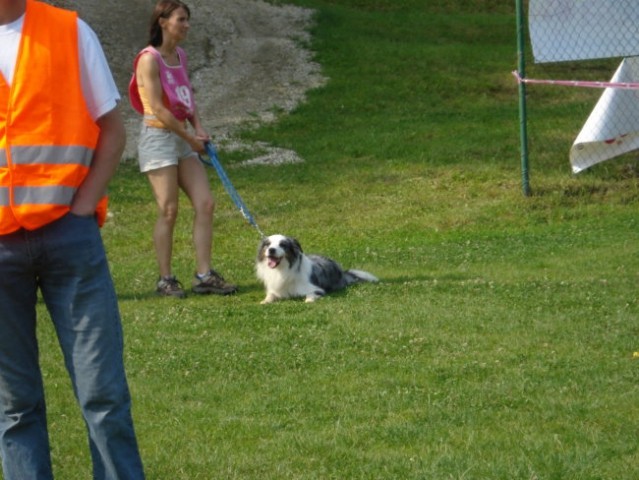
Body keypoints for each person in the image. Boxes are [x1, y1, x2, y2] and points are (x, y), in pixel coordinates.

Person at [0, 0, 145, 478]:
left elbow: (112, 131)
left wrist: (82, 208)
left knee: (102, 395)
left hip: (69, 236)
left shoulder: (68, 30)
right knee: (15, 405)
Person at [130, 0, 237, 298]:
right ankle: (166, 279)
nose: (186, 25)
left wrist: (198, 126)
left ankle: (204, 275)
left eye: (187, 19)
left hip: (182, 137)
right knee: (169, 209)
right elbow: (159, 110)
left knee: (205, 203)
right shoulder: (148, 60)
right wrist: (191, 139)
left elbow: (185, 96)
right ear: (163, 22)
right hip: (158, 137)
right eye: (181, 19)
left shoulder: (180, 55)